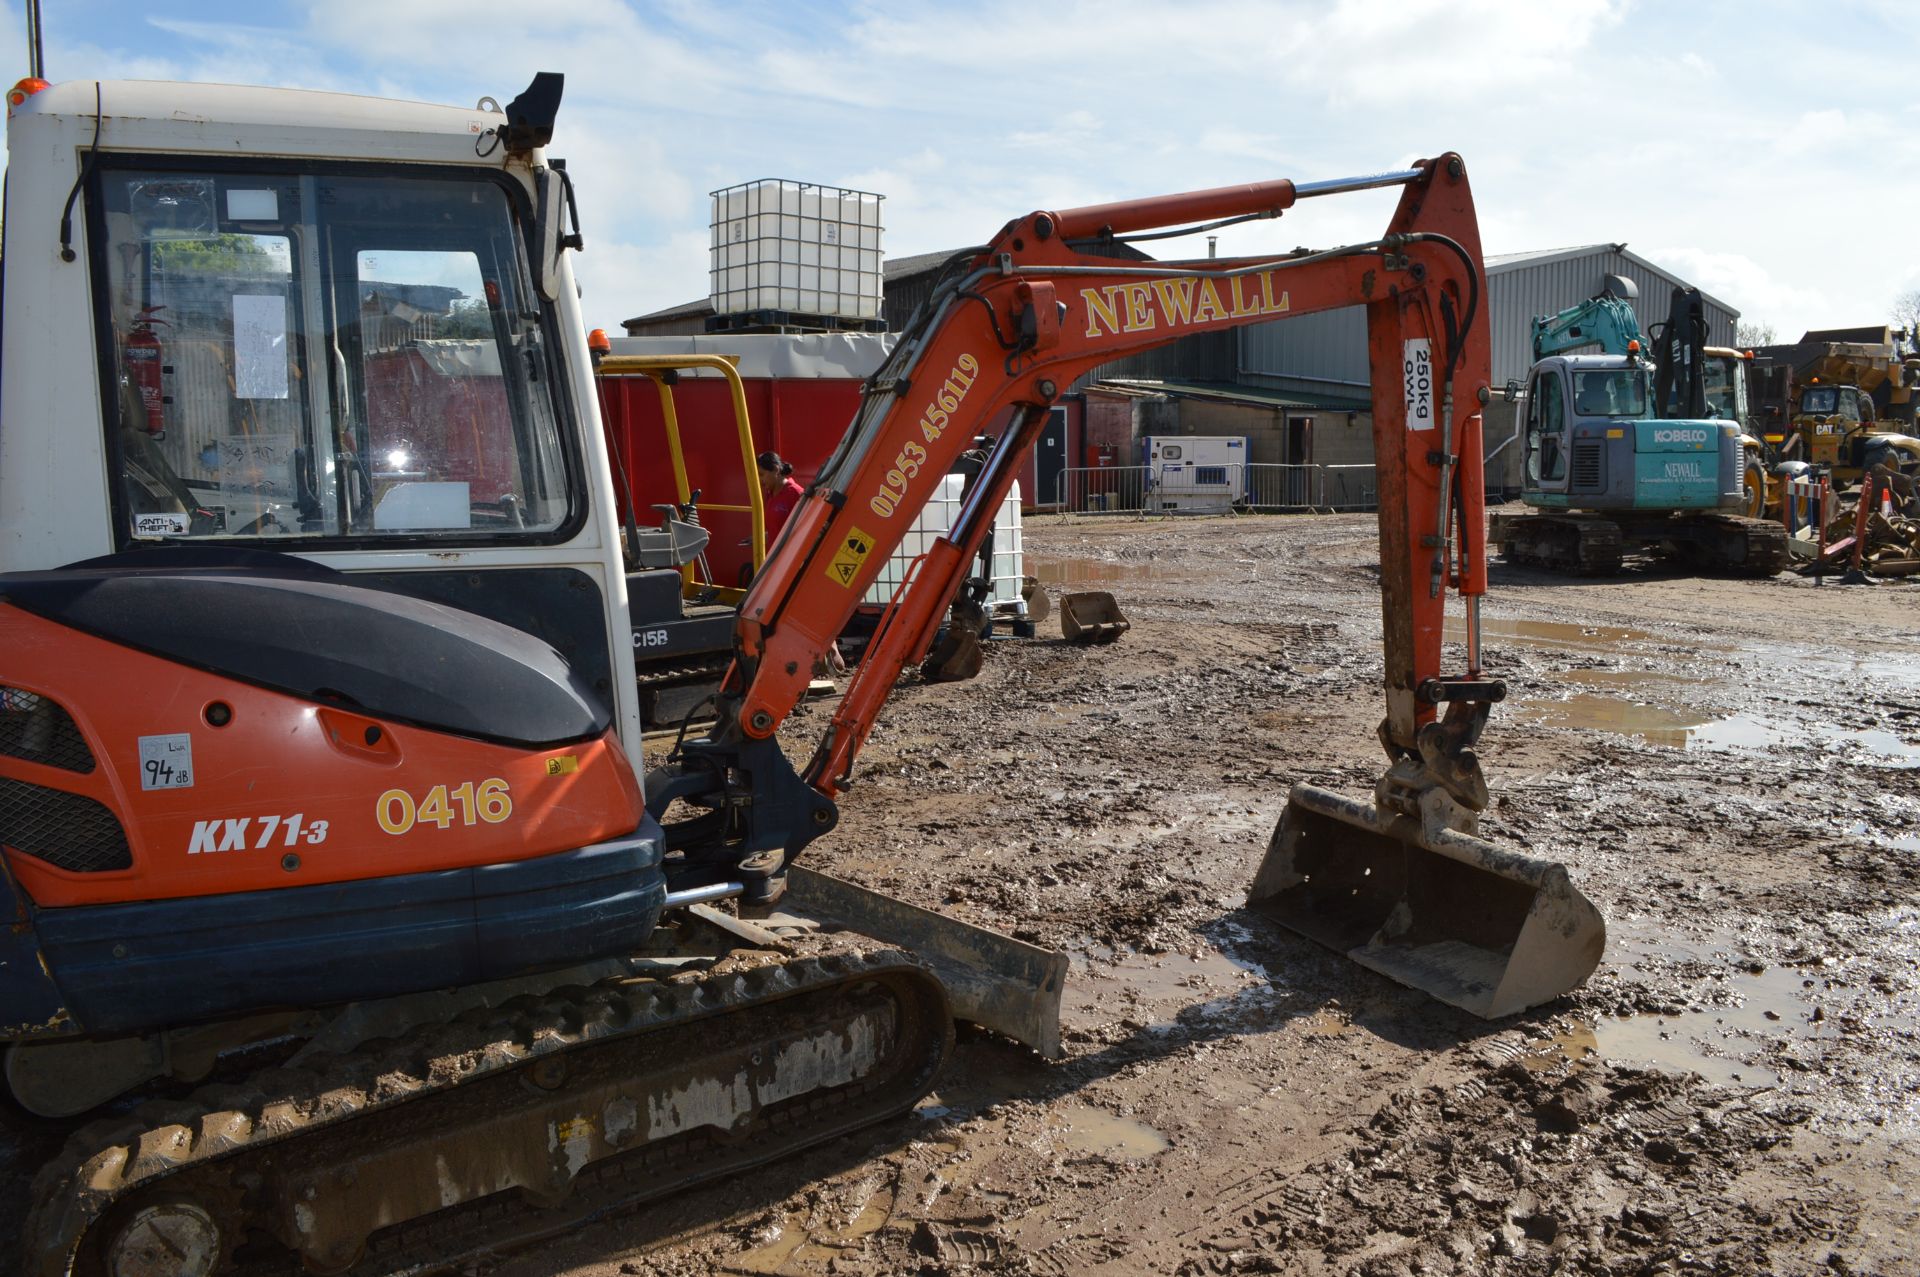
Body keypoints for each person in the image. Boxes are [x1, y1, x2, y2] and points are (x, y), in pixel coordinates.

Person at [757, 450, 805, 540]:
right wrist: (761, 538)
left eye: (761, 474)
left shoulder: (796, 494)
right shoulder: (770, 494)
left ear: (776, 470)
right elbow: (779, 530)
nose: (759, 480)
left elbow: (804, 531)